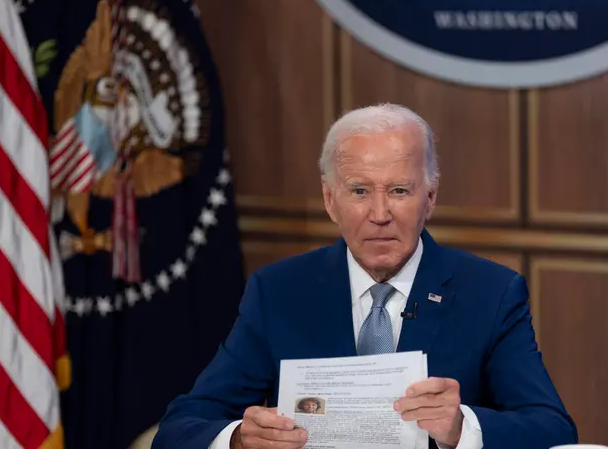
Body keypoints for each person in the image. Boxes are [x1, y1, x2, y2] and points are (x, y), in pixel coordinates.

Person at [152, 103, 578, 449]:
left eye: (399, 191)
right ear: (329, 199)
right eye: (359, 191)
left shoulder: (490, 293)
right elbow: (179, 429)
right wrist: (241, 440)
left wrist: (461, 427)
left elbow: (553, 429)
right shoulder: (278, 292)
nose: (379, 215)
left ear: (429, 197)